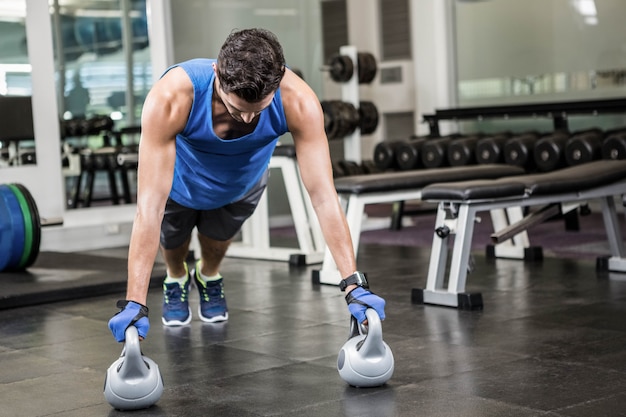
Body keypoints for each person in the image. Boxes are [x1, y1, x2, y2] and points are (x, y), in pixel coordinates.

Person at [108, 28, 385, 342]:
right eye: (235, 108)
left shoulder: (299, 101)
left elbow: (323, 195)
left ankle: (208, 275)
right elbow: (149, 208)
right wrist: (135, 301)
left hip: (240, 185)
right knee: (174, 248)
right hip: (179, 185)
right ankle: (176, 278)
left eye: (259, 111)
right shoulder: (171, 97)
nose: (247, 119)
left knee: (215, 245)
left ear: (279, 79)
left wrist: (354, 284)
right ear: (216, 71)